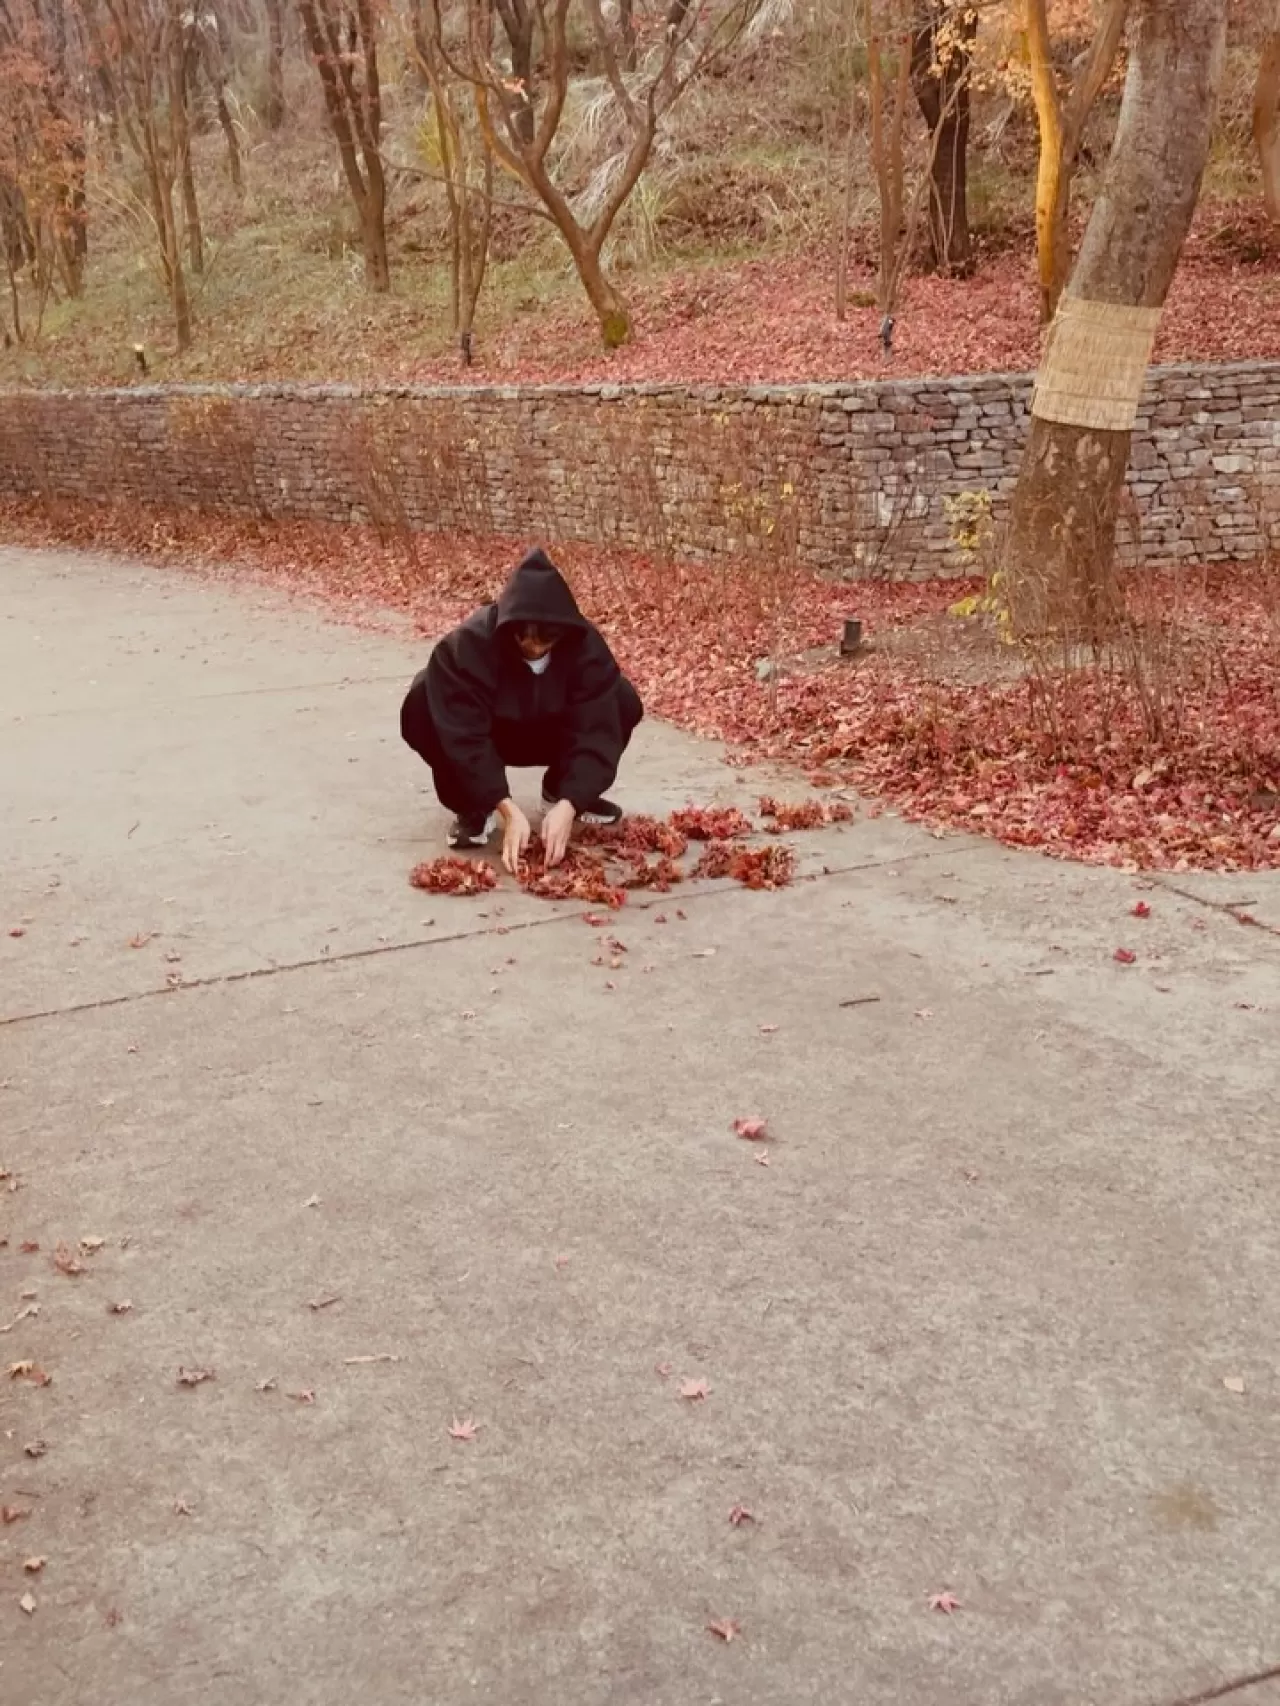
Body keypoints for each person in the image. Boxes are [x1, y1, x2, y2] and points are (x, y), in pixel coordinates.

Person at [400, 547, 644, 872]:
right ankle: (474, 807)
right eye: (523, 640)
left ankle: (559, 790)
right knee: (422, 699)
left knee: (621, 698)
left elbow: (597, 727)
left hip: (553, 731)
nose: (533, 648)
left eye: (544, 642)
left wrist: (571, 803)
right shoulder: (466, 647)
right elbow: (464, 734)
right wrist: (506, 808)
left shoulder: (587, 648)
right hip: (493, 734)